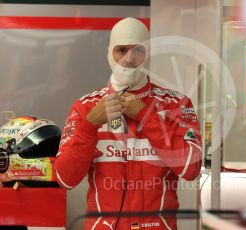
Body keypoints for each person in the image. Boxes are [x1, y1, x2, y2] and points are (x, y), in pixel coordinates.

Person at [55, 17, 202, 230]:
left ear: (148, 53)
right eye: (121, 50)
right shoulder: (85, 107)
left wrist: (145, 114)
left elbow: (192, 169)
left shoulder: (176, 104)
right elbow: (65, 179)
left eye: (138, 51)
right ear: (110, 54)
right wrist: (89, 126)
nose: (129, 59)